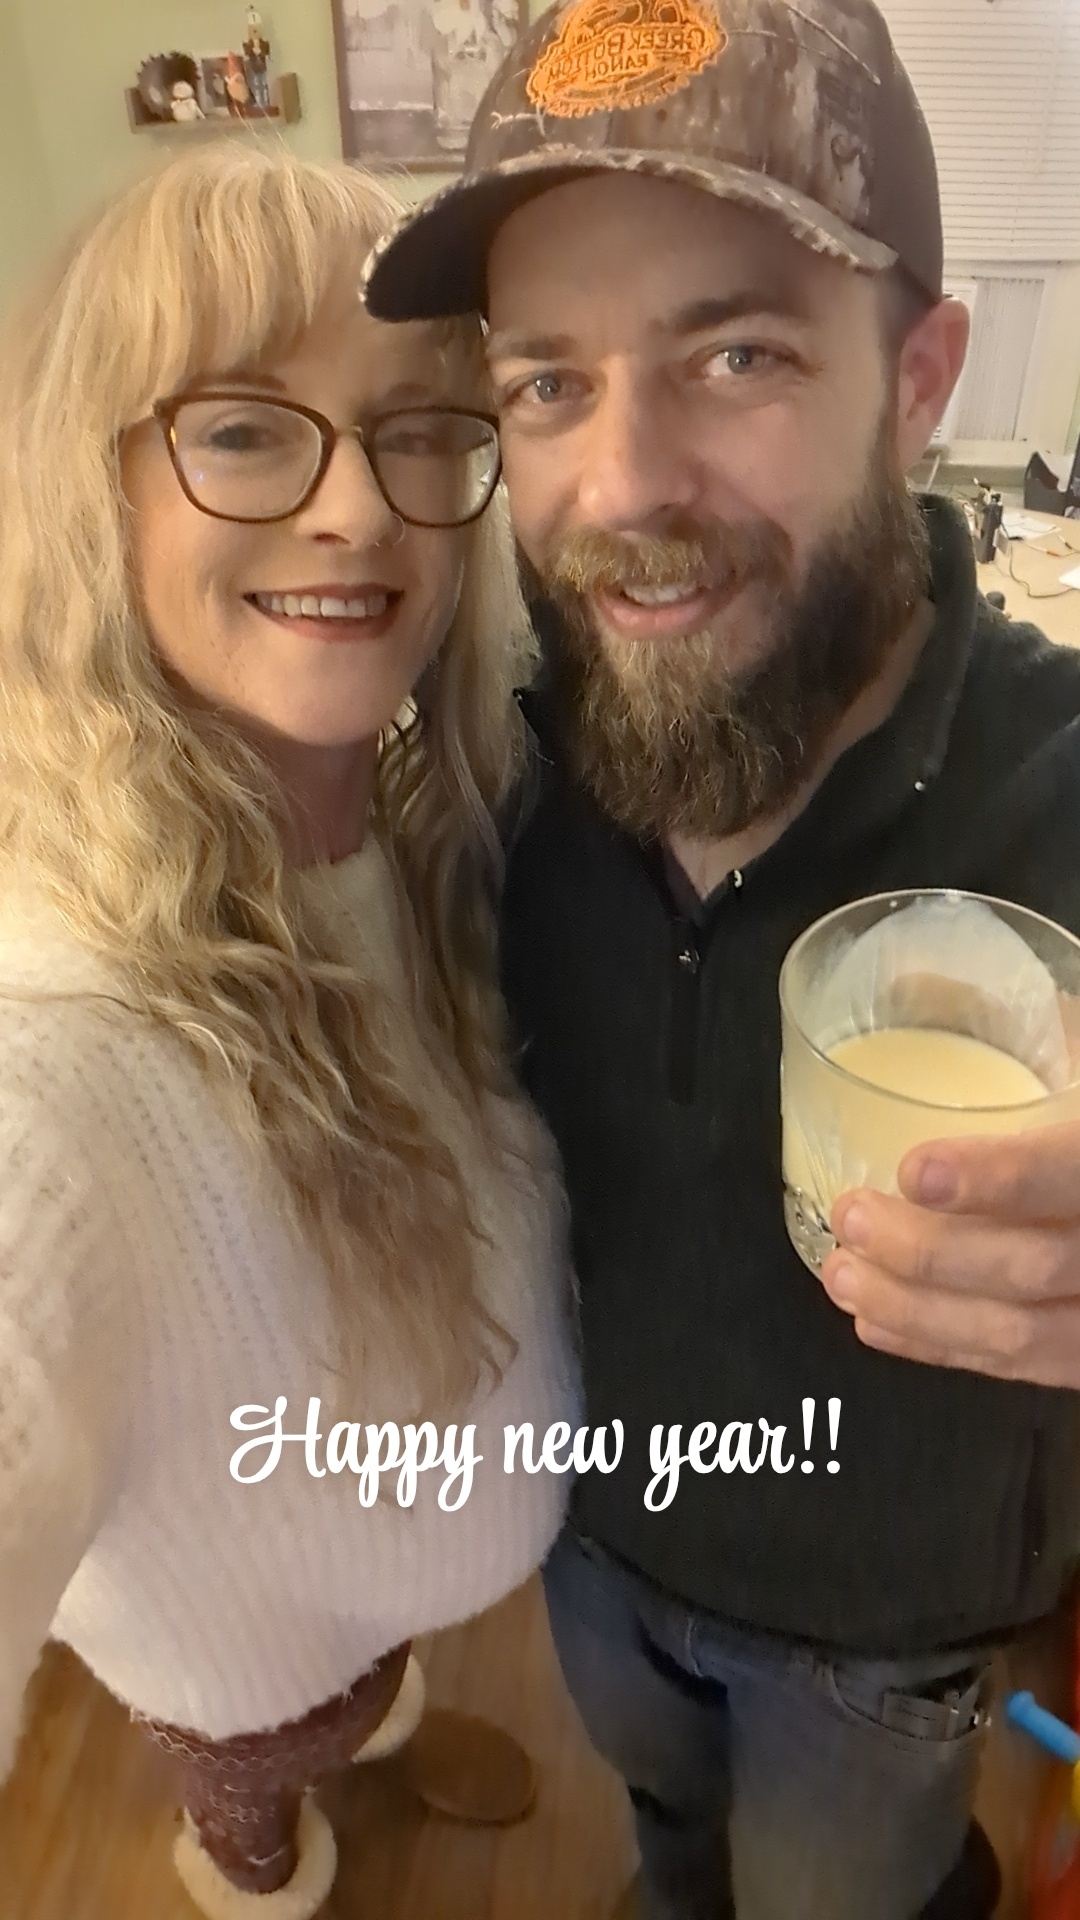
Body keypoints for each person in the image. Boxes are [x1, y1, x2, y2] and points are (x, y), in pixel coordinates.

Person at [363, 1, 1080, 1914]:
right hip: (598, 1551)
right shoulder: (488, 755)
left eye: (737, 354)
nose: (620, 488)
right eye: (548, 383)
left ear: (919, 382)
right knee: (666, 1846)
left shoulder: (1058, 786)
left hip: (887, 1634)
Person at [0, 146, 578, 1920]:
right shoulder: (53, 1053)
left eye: (417, 429)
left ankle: (380, 1706)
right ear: (92, 486)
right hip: (235, 1680)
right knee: (259, 1784)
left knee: (363, 1698)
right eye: (247, 430)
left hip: (382, 1594)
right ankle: (247, 1855)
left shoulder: (420, 820)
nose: (360, 513)